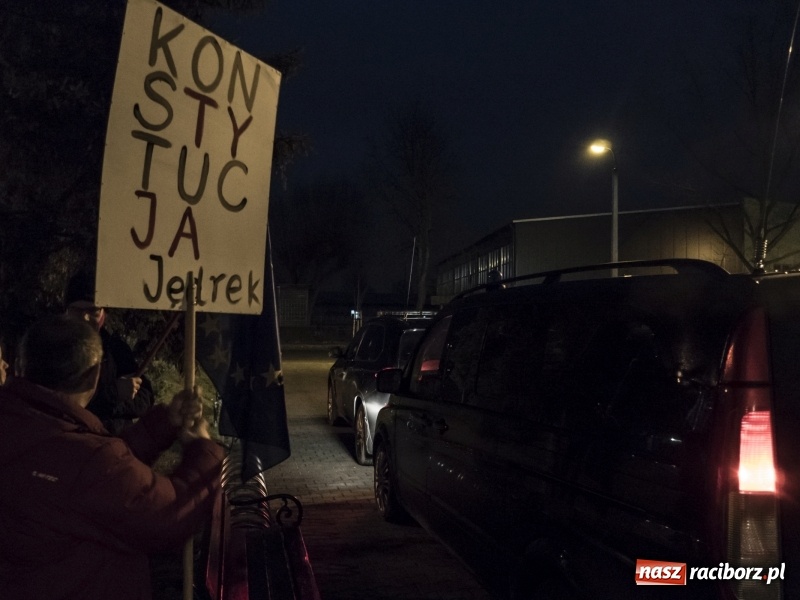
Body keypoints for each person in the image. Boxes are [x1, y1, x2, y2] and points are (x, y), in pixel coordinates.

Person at [0, 314, 223, 600]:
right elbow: (168, 515)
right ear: (94, 375)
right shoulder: (88, 459)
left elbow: (94, 481)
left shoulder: (21, 424)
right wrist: (204, 452)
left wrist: (163, 424)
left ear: (21, 364)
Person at [65, 270, 155, 434]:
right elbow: (65, 400)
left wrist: (119, 397)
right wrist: (114, 394)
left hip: (116, 442)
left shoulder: (116, 348)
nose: (85, 318)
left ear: (103, 314)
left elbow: (145, 398)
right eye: (78, 310)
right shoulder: (53, 347)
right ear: (67, 312)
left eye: (93, 311)